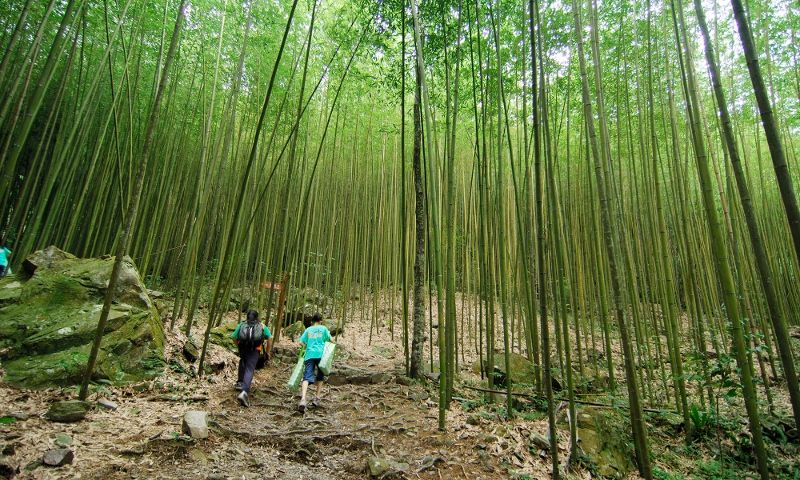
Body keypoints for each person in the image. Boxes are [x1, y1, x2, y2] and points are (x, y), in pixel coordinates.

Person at [230, 309, 272, 407]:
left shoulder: (241, 325)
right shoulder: (262, 326)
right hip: (255, 350)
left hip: (243, 349)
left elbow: (233, 337)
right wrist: (268, 352)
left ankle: (240, 382)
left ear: (247, 316)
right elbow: (270, 337)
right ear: (257, 317)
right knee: (249, 369)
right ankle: (244, 392)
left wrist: (239, 345)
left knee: (243, 362)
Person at [298, 313, 332, 412]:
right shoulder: (324, 329)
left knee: (306, 377)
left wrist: (307, 345)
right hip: (321, 355)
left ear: (312, 321)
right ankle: (317, 398)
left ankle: (303, 399)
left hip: (309, 355)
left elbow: (301, 342)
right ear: (320, 320)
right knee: (320, 376)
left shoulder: (308, 329)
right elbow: (330, 339)